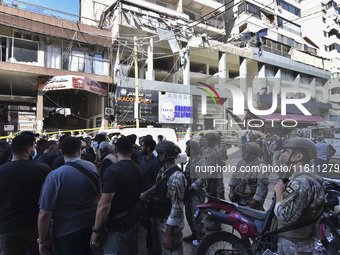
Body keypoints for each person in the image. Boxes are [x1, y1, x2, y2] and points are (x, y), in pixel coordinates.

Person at [38, 136, 100, 255]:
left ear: (60, 150)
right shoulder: (92, 167)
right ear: (79, 150)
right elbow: (99, 195)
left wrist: (42, 240)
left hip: (65, 232)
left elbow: (45, 213)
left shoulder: (55, 176)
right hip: (90, 226)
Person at [90, 137, 143, 255]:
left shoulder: (112, 171)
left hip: (117, 227)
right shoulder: (138, 169)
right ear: (132, 150)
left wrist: (96, 231)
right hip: (132, 221)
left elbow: (104, 204)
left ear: (115, 151)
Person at [274, 138, 326, 254]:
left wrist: (279, 193)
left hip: (293, 244)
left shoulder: (301, 181)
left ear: (299, 156)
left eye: (287, 151)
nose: (284, 154)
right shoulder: (310, 176)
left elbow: (284, 217)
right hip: (302, 242)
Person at [0, 134, 50, 255]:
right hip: (36, 226)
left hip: (8, 227)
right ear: (28, 150)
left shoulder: (1, 171)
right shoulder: (43, 169)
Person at [141, 141, 186, 254]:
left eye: (159, 153)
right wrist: (145, 194)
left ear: (163, 156)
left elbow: (177, 207)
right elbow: (157, 185)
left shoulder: (176, 177)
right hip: (159, 222)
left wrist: (168, 234)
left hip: (169, 227)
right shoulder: (164, 171)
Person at [228, 142, 269, 210]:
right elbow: (234, 177)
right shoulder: (241, 162)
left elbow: (262, 186)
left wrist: (255, 200)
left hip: (250, 199)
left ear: (253, 154)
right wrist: (231, 191)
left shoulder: (261, 166)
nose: (243, 154)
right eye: (243, 152)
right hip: (239, 197)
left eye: (246, 153)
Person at [183, 140, 206, 246]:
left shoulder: (201, 161)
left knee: (196, 217)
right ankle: (194, 234)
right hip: (189, 193)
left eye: (187, 148)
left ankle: (202, 239)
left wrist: (193, 186)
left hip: (196, 194)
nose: (185, 150)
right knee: (188, 215)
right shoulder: (191, 160)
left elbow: (203, 176)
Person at [204, 132, 224, 231]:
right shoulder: (211, 150)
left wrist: (208, 183)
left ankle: (217, 224)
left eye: (208, 140)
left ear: (212, 141)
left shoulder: (213, 152)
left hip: (214, 181)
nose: (206, 142)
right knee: (212, 200)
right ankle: (213, 217)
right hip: (214, 179)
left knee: (215, 202)